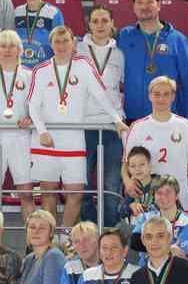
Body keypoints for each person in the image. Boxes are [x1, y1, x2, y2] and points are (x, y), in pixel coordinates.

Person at [28, 26, 128, 228]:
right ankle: (50, 236)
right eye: (57, 42)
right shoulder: (41, 70)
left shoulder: (83, 65)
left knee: (76, 192)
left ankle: (65, 235)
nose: (62, 45)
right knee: (48, 192)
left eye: (66, 41)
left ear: (73, 43)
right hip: (46, 141)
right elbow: (32, 105)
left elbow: (101, 95)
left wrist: (116, 119)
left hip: (73, 140)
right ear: (51, 45)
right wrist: (42, 131)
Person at [0, 30, 40, 221]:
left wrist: (30, 118)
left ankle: (32, 237)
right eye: (3, 46)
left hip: (21, 138)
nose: (7, 50)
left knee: (26, 194)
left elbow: (38, 108)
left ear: (19, 49)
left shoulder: (30, 76)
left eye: (12, 46)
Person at [122, 76, 188, 212]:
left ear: (173, 96)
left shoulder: (185, 125)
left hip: (180, 199)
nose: (161, 98)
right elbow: (125, 162)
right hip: (147, 201)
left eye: (166, 94)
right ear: (149, 96)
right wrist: (127, 181)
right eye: (157, 94)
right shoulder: (137, 127)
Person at [117, 0, 188, 122]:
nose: (144, 7)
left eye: (149, 2)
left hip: (168, 118)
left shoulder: (177, 40)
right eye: (140, 2)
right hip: (133, 118)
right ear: (134, 7)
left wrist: (187, 120)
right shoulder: (124, 36)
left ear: (159, 5)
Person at [79, 6, 127, 225]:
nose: (100, 25)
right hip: (82, 125)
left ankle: (110, 231)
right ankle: (88, 230)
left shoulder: (119, 54)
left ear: (112, 24)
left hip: (112, 125)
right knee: (83, 183)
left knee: (111, 184)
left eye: (104, 20)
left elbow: (122, 85)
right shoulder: (77, 50)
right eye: (95, 21)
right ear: (89, 24)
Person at [130, 175, 188, 264]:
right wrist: (169, 248)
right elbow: (135, 243)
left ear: (176, 196)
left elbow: (179, 252)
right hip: (146, 268)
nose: (163, 196)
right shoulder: (146, 217)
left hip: (173, 268)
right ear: (154, 197)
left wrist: (151, 244)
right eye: (159, 193)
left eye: (168, 192)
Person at [14, 0, 65, 69]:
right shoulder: (16, 12)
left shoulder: (53, 13)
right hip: (21, 69)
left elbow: (60, 43)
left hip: (45, 69)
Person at [120, 146, 154, 221]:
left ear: (150, 165)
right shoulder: (132, 187)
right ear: (128, 169)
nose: (137, 169)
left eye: (142, 164)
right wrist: (130, 207)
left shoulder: (159, 184)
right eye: (133, 166)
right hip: (135, 226)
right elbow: (121, 212)